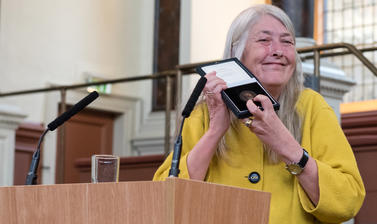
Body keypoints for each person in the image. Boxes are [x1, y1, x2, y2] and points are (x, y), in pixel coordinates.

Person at [153, 4, 365, 224]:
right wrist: (215, 131)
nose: (278, 51)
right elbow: (165, 200)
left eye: (287, 41)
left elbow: (347, 201)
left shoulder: (312, 107)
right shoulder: (206, 112)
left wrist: (288, 147)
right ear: (237, 52)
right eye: (264, 40)